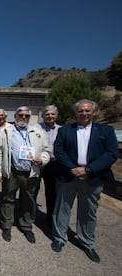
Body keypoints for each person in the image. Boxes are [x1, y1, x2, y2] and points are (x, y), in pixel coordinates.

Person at [51, 99, 118, 263]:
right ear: (76, 113)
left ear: (93, 112)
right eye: (80, 110)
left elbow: (111, 153)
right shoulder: (65, 131)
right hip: (69, 174)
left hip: (93, 176)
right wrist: (73, 168)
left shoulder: (106, 131)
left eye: (87, 110)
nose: (84, 113)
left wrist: (88, 169)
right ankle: (60, 237)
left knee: (88, 210)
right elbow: (59, 151)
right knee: (63, 207)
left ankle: (87, 241)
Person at [0, 106, 50, 243]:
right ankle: (7, 225)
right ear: (15, 116)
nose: (23, 117)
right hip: (12, 171)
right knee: (8, 198)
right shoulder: (6, 131)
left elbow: (46, 151)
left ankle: (26, 226)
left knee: (28, 200)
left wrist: (42, 160)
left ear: (29, 117)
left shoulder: (37, 132)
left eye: (26, 115)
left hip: (30, 173)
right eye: (21, 115)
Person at [35, 105, 61, 226]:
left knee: (51, 193)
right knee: (32, 190)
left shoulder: (61, 130)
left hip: (53, 163)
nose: (50, 116)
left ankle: (51, 219)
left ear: (56, 115)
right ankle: (29, 216)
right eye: (47, 114)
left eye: (52, 114)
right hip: (37, 162)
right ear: (43, 115)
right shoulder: (35, 128)